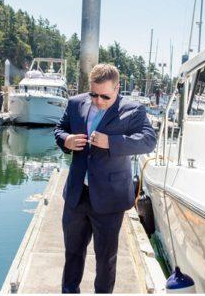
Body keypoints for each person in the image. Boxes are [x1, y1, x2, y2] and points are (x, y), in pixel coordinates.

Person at [52, 64, 156, 293]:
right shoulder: (75, 103)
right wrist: (66, 140)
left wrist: (112, 143)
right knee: (72, 254)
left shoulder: (134, 110)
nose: (98, 101)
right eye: (94, 94)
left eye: (105, 97)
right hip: (76, 197)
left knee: (106, 260)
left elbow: (149, 140)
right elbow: (59, 129)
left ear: (117, 88)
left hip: (110, 201)